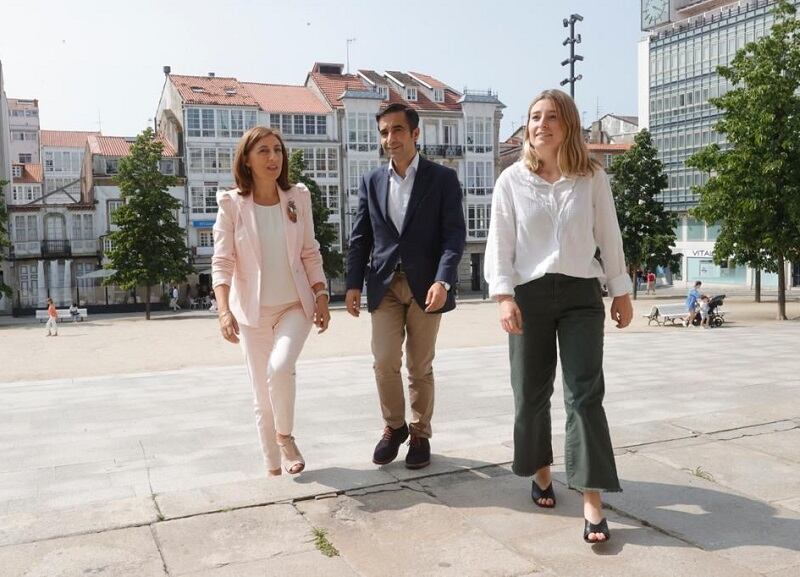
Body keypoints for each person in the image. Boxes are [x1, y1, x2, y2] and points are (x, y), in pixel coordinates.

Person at [484, 89, 633, 544]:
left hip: (580, 294)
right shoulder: (510, 180)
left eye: (551, 117)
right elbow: (500, 243)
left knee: (584, 394)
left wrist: (621, 289)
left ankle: (592, 499)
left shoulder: (591, 177)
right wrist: (504, 296)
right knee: (529, 392)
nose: (540, 124)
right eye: (533, 117)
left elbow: (609, 235)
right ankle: (542, 472)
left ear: (567, 124)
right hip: (527, 295)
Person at [345, 102, 466, 470]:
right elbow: (361, 236)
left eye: (397, 130)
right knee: (383, 362)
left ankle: (420, 434)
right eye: (384, 132)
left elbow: (454, 235)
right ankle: (394, 427)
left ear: (415, 133)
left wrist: (444, 279)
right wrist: (352, 284)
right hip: (383, 284)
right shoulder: (371, 181)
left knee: (419, 366)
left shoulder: (441, 179)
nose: (390, 138)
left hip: (426, 286)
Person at [212, 126, 330, 477]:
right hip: (251, 312)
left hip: (295, 305)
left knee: (280, 369)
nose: (273, 158)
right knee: (262, 398)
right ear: (246, 159)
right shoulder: (232, 204)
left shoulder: (298, 197)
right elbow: (222, 261)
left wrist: (321, 294)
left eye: (277, 150)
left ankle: (286, 437)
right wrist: (223, 311)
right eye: (263, 151)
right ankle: (274, 469)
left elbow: (310, 251)